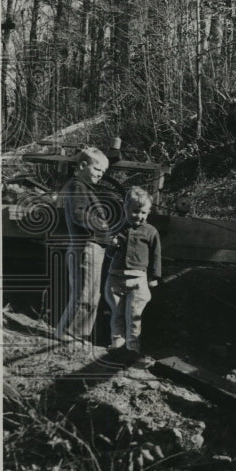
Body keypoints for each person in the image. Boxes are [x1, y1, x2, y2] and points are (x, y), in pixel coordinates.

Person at [55, 146, 115, 345]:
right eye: (98, 170)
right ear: (82, 165)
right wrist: (103, 225)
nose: (100, 175)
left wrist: (107, 237)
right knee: (84, 295)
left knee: (92, 295)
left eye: (103, 173)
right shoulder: (77, 187)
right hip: (85, 248)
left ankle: (78, 335)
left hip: (94, 247)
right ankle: (66, 334)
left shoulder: (85, 188)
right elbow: (80, 215)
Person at [105, 186, 161, 367]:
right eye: (135, 211)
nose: (140, 216)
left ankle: (132, 348)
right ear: (126, 209)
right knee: (117, 313)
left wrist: (154, 276)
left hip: (138, 278)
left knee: (135, 315)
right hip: (116, 277)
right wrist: (112, 245)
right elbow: (109, 254)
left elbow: (156, 255)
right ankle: (117, 346)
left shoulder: (151, 231)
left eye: (144, 212)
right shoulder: (118, 227)